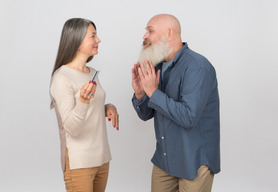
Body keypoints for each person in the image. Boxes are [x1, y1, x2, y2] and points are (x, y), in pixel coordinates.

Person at [131, 14, 220, 192]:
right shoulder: (156, 65)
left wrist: (153, 92)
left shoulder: (197, 67)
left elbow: (188, 117)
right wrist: (141, 95)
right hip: (164, 159)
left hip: (193, 161)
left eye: (150, 31)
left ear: (169, 33)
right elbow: (146, 115)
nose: (145, 36)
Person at [50, 18, 119, 192]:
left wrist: (107, 107)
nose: (98, 40)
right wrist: (83, 101)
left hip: (102, 157)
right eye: (93, 36)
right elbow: (72, 127)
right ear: (77, 41)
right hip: (79, 161)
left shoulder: (92, 73)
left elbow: (91, 109)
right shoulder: (62, 77)